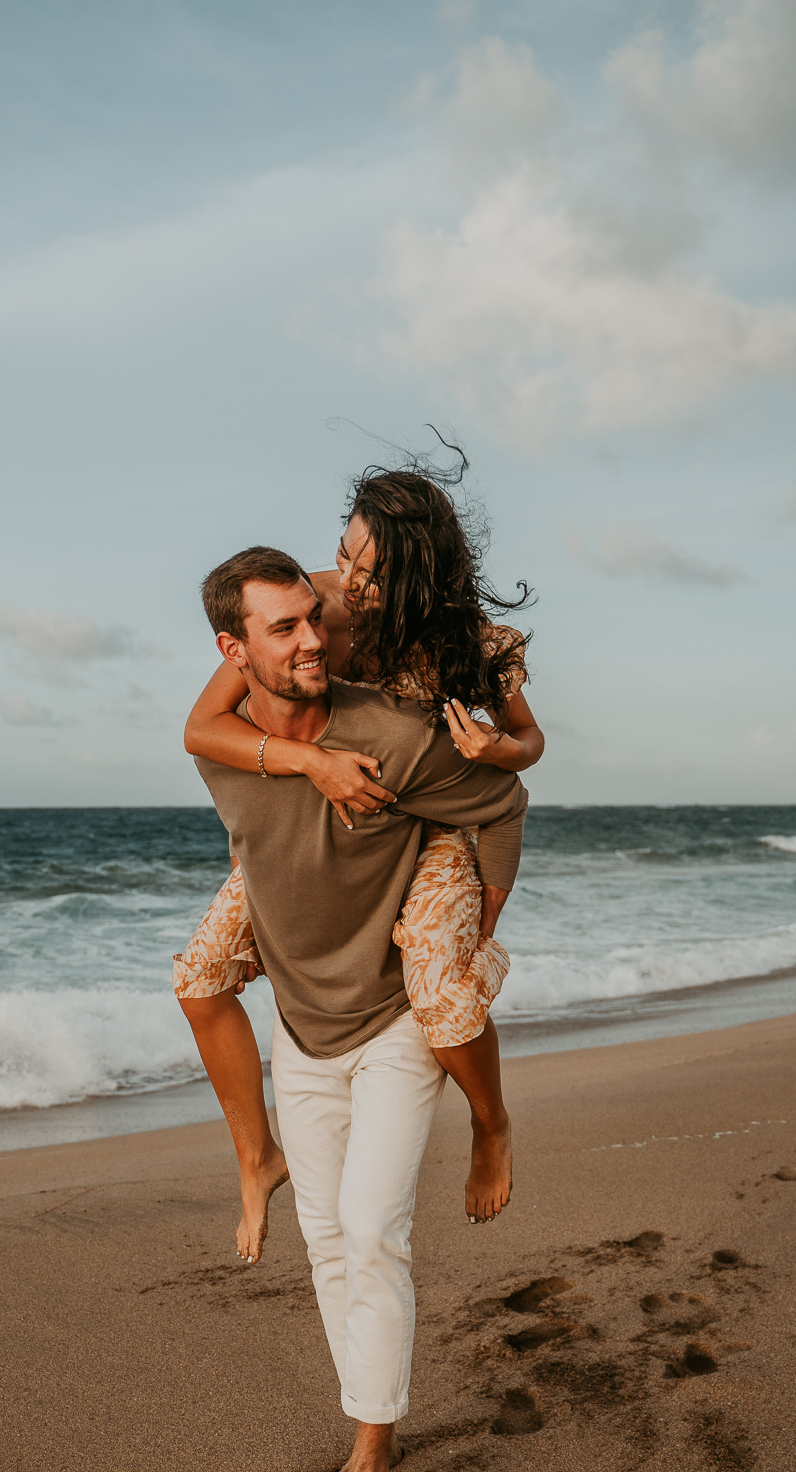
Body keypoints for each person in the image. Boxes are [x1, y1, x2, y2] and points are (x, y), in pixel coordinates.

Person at [186, 543, 531, 1472]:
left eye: (313, 618)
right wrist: (304, 762)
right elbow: (206, 734)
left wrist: (479, 932)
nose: (309, 640)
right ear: (231, 647)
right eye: (281, 627)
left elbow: (502, 802)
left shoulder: (393, 729)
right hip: (301, 1026)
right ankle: (365, 1419)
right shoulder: (222, 746)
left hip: (392, 1023)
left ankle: (372, 1455)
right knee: (328, 1245)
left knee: (374, 1233)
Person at [176, 467, 544, 1268]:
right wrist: (309, 763)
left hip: (439, 816)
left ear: (418, 568)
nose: (345, 580)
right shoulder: (308, 611)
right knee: (200, 978)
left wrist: (494, 749)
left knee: (443, 992)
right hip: (340, 805)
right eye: (344, 552)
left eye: (369, 567)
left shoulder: (474, 645)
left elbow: (527, 753)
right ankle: (256, 1158)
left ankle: (492, 1125)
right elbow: (204, 727)